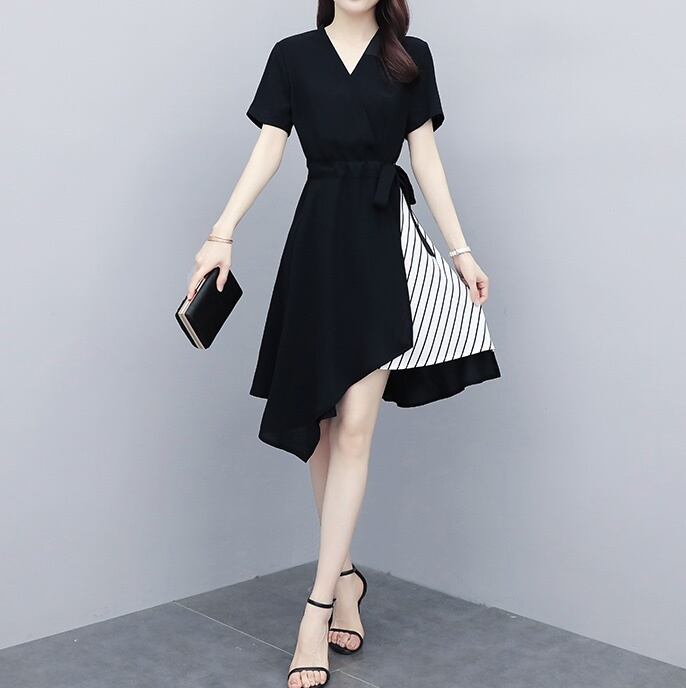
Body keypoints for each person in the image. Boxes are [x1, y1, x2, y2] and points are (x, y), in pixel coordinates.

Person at [186, 1, 501, 685]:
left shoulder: (411, 58)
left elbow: (426, 159)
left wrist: (462, 251)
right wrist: (221, 232)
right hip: (318, 244)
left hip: (380, 245)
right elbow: (270, 147)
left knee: (356, 426)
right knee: (324, 426)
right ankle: (348, 576)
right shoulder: (292, 55)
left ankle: (317, 607)